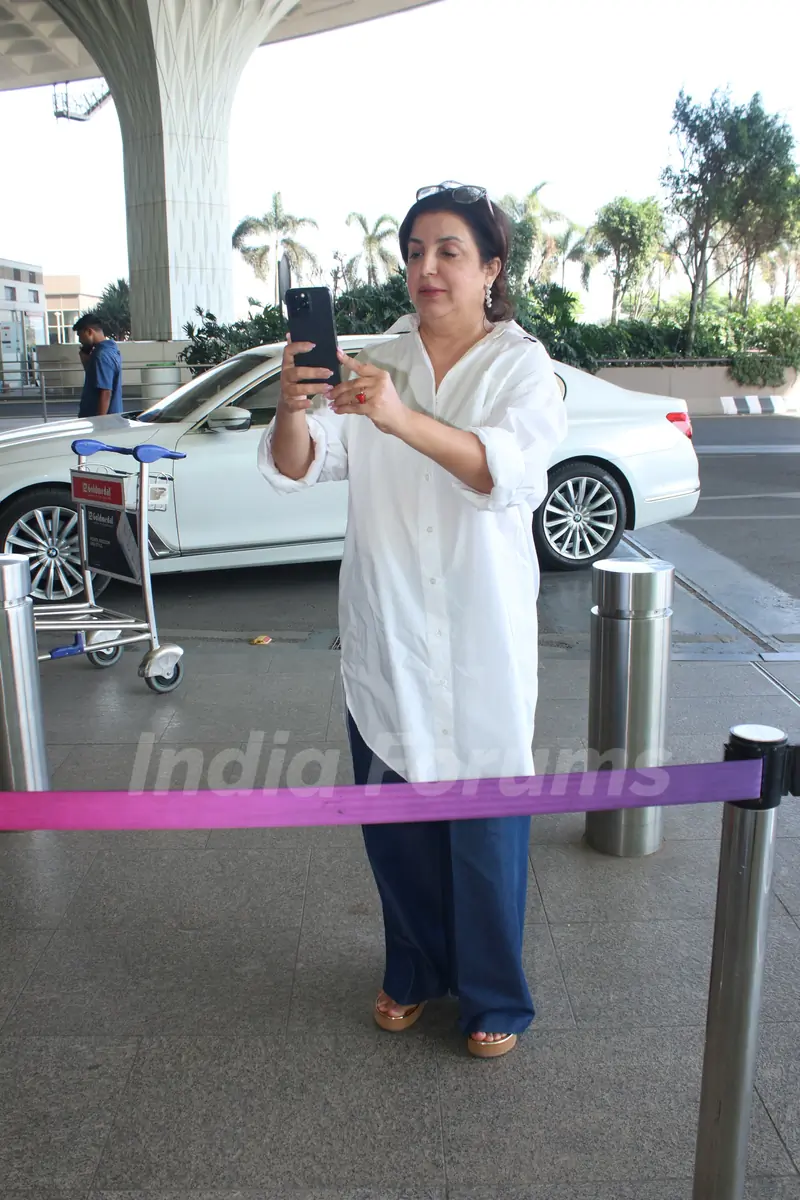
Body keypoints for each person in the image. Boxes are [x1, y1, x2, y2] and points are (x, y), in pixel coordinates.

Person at [258, 182, 568, 1058]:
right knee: (396, 823)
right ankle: (414, 970)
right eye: (416, 251)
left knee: (484, 829)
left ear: (491, 267)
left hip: (480, 638)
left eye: (451, 252)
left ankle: (494, 993)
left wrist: (400, 416)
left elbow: (504, 473)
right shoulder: (370, 361)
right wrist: (291, 404)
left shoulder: (521, 366)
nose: (428, 269)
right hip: (388, 627)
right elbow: (297, 467)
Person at [73, 314, 123, 418]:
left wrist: (100, 422)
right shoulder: (111, 350)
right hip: (109, 418)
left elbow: (105, 392)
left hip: (102, 422)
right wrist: (85, 359)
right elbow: (96, 379)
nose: (80, 340)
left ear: (89, 331)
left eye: (80, 335)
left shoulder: (101, 355)